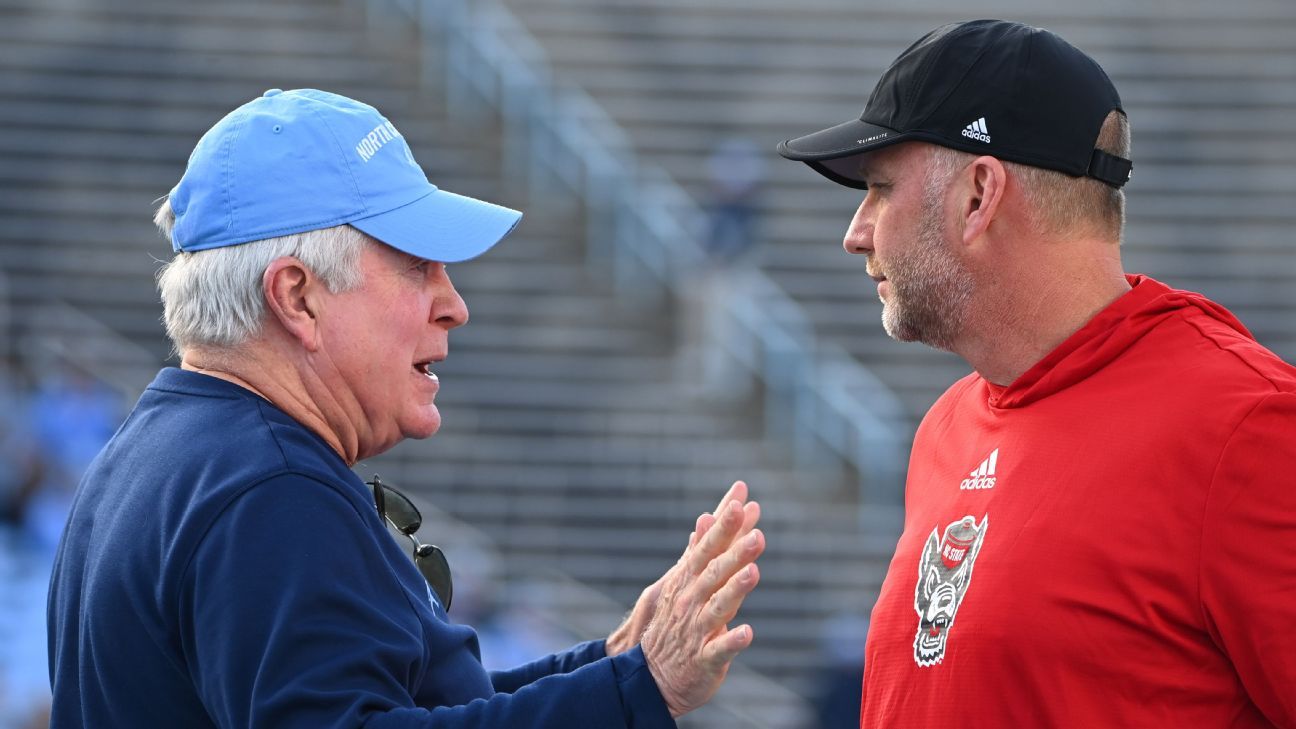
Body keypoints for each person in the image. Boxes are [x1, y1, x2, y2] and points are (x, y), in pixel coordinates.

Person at [47, 88, 767, 728]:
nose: (453, 305)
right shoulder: (268, 491)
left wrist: (611, 667)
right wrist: (638, 689)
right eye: (416, 265)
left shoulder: (164, 452)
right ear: (297, 296)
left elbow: (408, 702)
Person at [777, 19, 1296, 728]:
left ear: (977, 195)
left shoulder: (1246, 427)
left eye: (878, 187)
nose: (855, 231)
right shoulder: (948, 428)